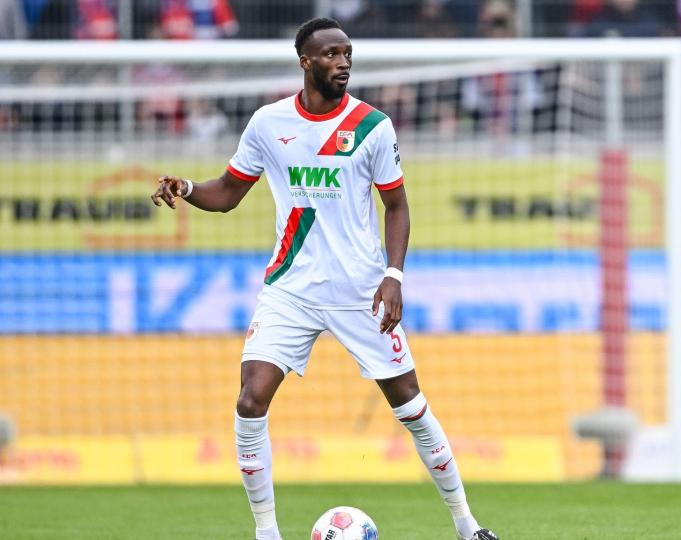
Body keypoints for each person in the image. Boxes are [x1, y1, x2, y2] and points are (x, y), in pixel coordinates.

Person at [150, 17, 499, 540]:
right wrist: (188, 188)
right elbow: (227, 192)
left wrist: (394, 276)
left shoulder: (372, 126)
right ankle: (266, 533)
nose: (343, 63)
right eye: (332, 54)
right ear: (305, 61)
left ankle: (467, 527)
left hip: (361, 291)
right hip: (291, 287)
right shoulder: (269, 123)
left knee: (411, 405)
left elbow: (397, 206)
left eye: (348, 54)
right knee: (250, 399)